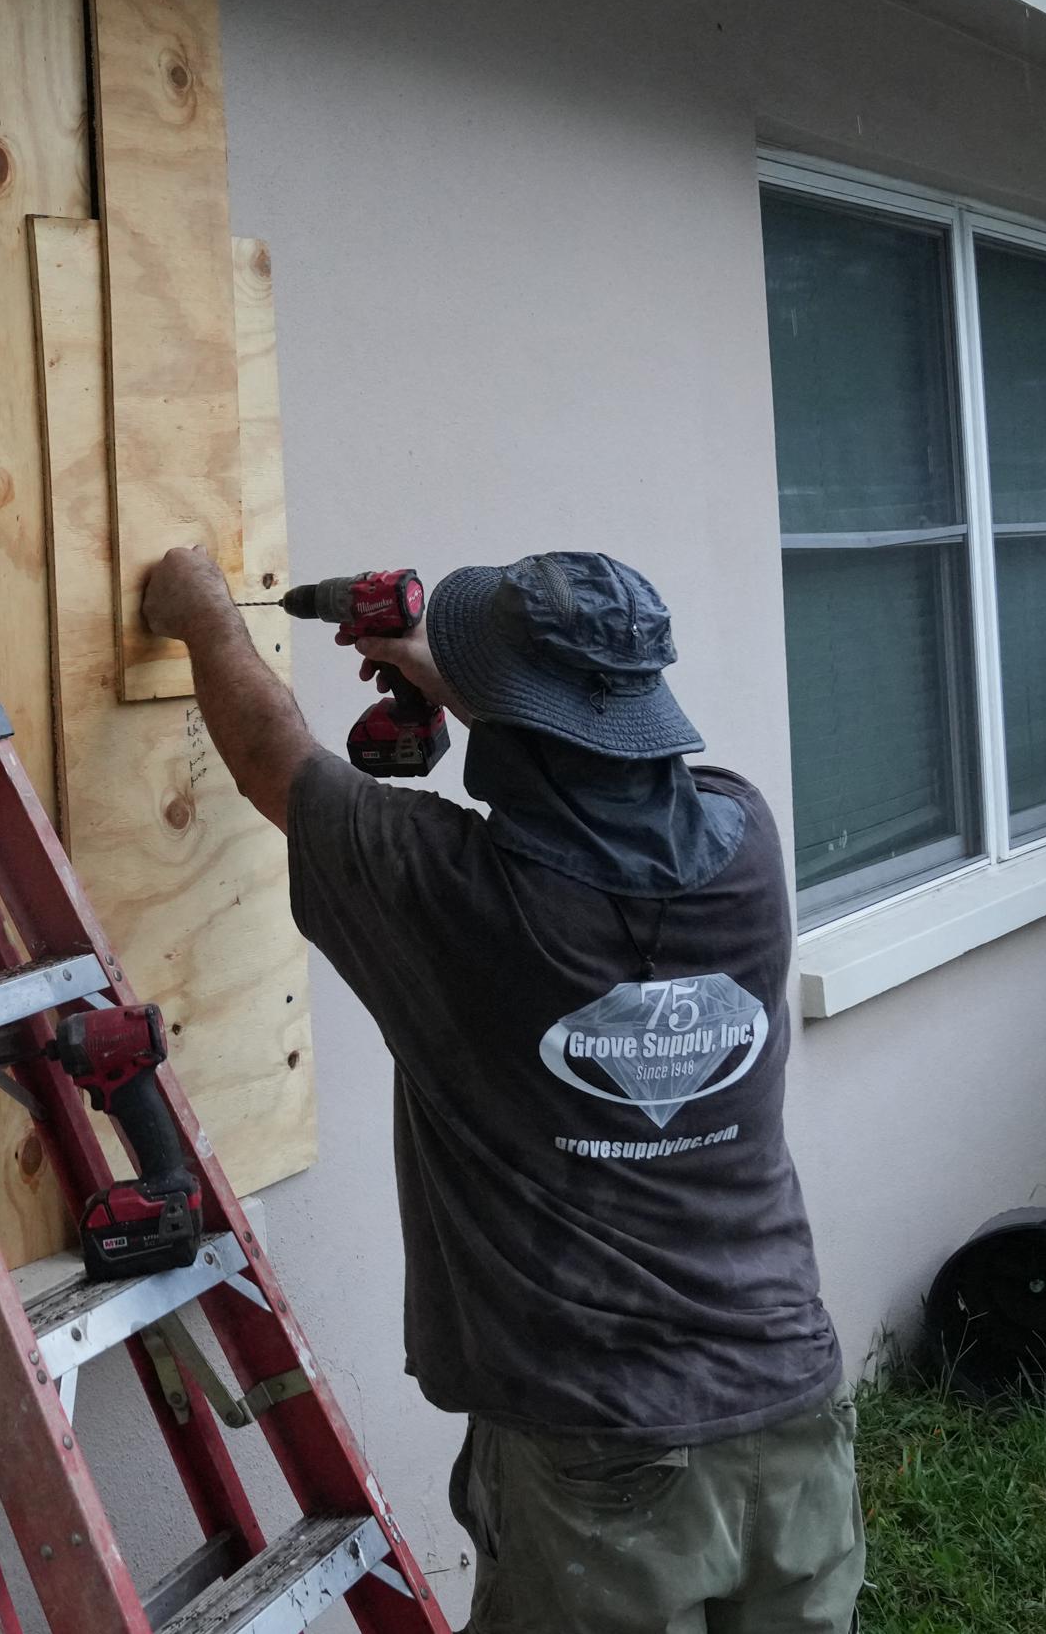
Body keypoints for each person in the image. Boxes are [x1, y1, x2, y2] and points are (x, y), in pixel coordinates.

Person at [139, 545, 861, 1634]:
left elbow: (265, 752)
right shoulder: (745, 843)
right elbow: (608, 788)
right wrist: (483, 691)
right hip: (792, 1414)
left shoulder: (450, 894)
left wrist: (199, 610)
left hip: (600, 1456)